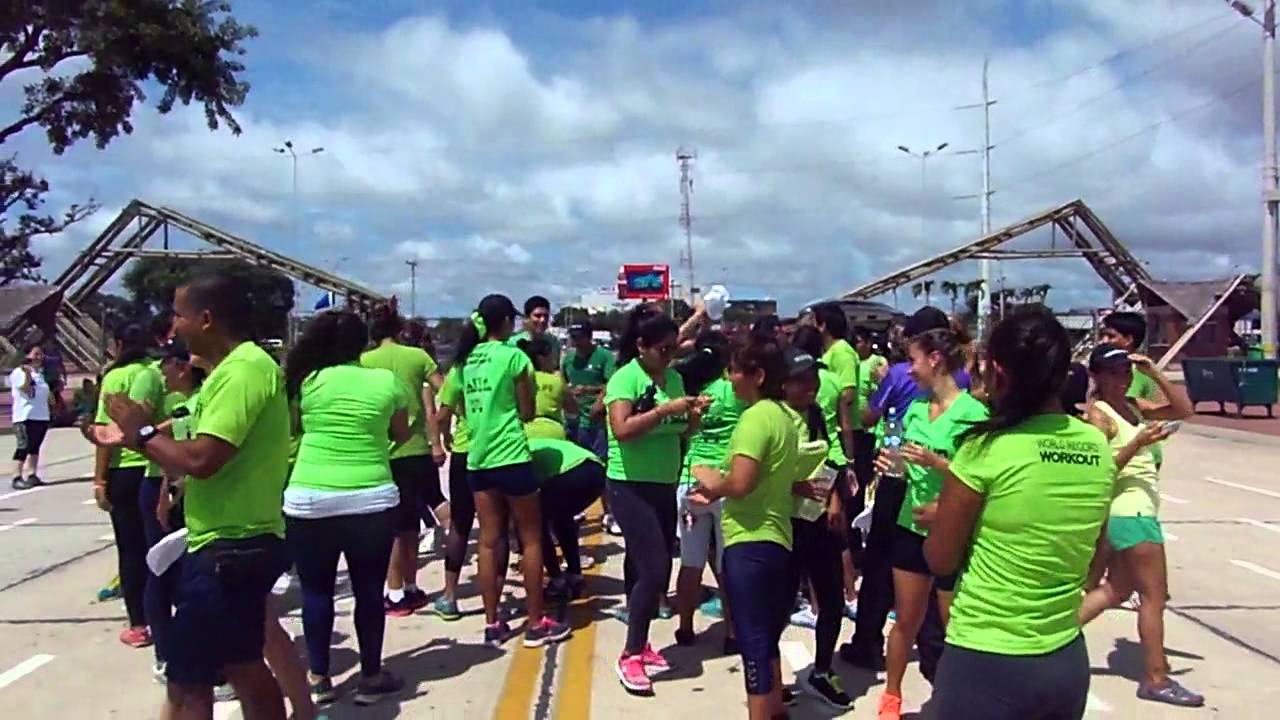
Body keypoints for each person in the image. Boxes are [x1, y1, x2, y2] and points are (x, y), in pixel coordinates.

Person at [97, 273, 294, 720]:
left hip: (231, 547)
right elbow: (193, 455)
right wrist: (137, 442)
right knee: (242, 666)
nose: (173, 325)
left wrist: (141, 431)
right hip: (229, 541)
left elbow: (204, 459)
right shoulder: (233, 370)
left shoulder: (244, 370)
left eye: (178, 315)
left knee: (187, 679)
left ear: (205, 319)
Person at [921, 308, 1115, 719]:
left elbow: (940, 558)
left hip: (986, 658)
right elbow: (1099, 548)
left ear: (1000, 373)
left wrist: (949, 518)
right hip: (1064, 655)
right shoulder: (1096, 445)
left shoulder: (985, 449)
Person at [286, 310, 409, 705]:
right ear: (365, 343)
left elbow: (296, 430)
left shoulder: (308, 380)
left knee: (316, 592)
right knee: (369, 591)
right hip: (369, 497)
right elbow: (401, 433)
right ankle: (371, 676)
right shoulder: (385, 381)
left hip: (309, 496)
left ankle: (319, 678)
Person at [686, 339, 808, 720]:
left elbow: (739, 483)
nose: (730, 377)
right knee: (766, 639)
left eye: (736, 370)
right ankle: (774, 712)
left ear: (757, 376)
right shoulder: (784, 418)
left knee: (753, 644)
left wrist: (709, 480)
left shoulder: (754, 419)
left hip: (749, 544)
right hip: (777, 541)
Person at [1078, 344, 1202, 707]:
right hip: (1130, 512)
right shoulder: (1098, 417)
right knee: (1153, 596)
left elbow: (1184, 410)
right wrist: (1137, 443)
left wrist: (1153, 372)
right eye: (1115, 374)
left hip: (1137, 510)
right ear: (1098, 377)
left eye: (1126, 373)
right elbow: (1100, 470)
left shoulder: (1131, 407)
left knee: (1115, 591)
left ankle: (1049, 636)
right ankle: (1155, 677)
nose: (1123, 379)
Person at [841, 306, 961, 677]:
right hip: (944, 492)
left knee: (881, 563)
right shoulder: (967, 380)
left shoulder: (896, 374)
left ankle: (868, 642)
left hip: (900, 476)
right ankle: (933, 651)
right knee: (938, 572)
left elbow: (875, 417)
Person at [876, 329, 989, 720]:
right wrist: (892, 466)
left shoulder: (974, 414)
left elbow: (983, 475)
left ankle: (956, 700)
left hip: (952, 530)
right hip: (910, 526)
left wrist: (938, 463)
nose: (909, 371)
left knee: (954, 626)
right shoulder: (915, 409)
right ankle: (891, 697)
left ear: (936, 360)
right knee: (905, 620)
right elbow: (903, 464)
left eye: (915, 361)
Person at [605, 303, 708, 695]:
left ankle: (641, 640)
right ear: (641, 346)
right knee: (656, 566)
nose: (668, 355)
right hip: (629, 484)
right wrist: (664, 410)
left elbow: (682, 431)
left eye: (673, 348)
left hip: (663, 482)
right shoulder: (625, 379)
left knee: (642, 564)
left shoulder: (675, 381)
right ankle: (630, 653)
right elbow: (623, 428)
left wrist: (693, 414)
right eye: (662, 349)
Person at [458, 294, 571, 648]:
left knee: (490, 541)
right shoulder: (514, 357)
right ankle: (536, 622)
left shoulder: (466, 360)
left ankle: (492, 622)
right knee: (532, 537)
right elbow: (526, 411)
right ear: (507, 322)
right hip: (511, 455)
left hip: (478, 459)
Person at [778, 345, 856, 711]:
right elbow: (757, 474)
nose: (811, 387)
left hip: (818, 518)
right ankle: (767, 675)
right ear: (782, 384)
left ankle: (823, 669)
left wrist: (834, 499)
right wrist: (794, 487)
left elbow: (827, 459)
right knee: (778, 605)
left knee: (833, 600)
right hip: (785, 523)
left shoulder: (813, 414)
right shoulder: (772, 418)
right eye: (802, 380)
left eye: (813, 379)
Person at [360, 302, 449, 616]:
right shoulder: (418, 357)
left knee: (397, 528)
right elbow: (445, 389)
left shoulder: (363, 361)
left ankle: (395, 593)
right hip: (416, 448)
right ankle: (410, 586)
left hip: (383, 452)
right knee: (412, 522)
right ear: (399, 331)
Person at [92, 324, 166, 649]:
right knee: (158, 547)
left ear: (120, 344)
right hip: (154, 466)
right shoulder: (156, 374)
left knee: (130, 549)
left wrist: (99, 478)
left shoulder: (114, 378)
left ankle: (139, 624)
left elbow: (104, 434)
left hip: (123, 470)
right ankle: (165, 614)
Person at [672, 330, 740, 656]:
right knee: (728, 564)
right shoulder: (734, 391)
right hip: (724, 483)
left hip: (690, 479)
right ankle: (732, 631)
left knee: (691, 561)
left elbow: (684, 433)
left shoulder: (687, 393)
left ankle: (685, 627)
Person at [431, 364, 481, 621]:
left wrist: (442, 438)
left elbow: (442, 414)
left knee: (460, 525)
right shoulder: (508, 360)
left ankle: (450, 596)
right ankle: (493, 607)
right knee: (496, 530)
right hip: (497, 451)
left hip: (464, 450)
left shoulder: (460, 370)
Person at [528, 438, 606, 599]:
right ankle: (574, 572)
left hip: (568, 473)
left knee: (535, 526)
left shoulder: (515, 455)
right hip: (596, 470)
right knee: (562, 518)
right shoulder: (535, 443)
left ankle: (557, 580)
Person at [562, 320, 615, 458]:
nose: (576, 341)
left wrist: (592, 392)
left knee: (599, 460)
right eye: (573, 337)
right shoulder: (568, 358)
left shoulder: (604, 356)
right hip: (574, 420)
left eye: (580, 337)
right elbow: (562, 383)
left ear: (589, 336)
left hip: (597, 421)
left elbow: (612, 384)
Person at [11, 343, 52, 489]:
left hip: (41, 416)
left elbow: (45, 393)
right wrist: (27, 374)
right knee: (23, 446)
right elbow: (25, 388)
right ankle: (17, 477)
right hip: (24, 416)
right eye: (36, 354)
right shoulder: (19, 372)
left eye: (41, 354)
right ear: (27, 356)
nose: (39, 357)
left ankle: (32, 474)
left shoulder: (39, 374)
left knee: (35, 447)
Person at [520, 336, 576, 440]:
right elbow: (572, 410)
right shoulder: (557, 380)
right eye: (551, 356)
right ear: (541, 359)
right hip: (553, 431)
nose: (554, 360)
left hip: (525, 432)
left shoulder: (522, 379)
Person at [509, 295, 562, 366]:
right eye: (538, 316)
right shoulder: (513, 343)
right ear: (527, 318)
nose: (543, 320)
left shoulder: (554, 342)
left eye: (546, 316)